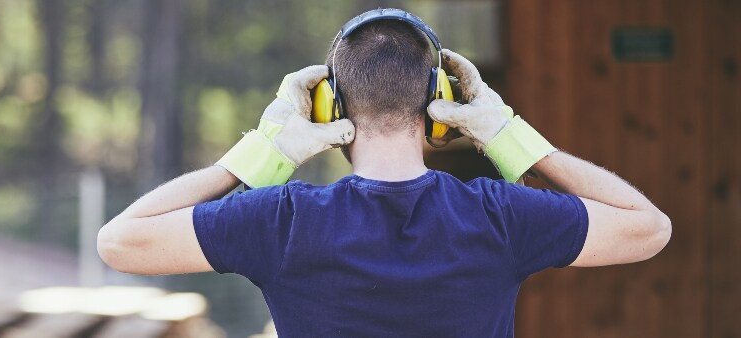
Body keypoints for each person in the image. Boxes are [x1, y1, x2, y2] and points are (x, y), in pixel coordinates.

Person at [97, 9, 671, 337]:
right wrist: (507, 133)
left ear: (331, 109)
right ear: (438, 108)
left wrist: (266, 150)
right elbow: (648, 227)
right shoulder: (501, 217)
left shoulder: (282, 221)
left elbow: (120, 243)